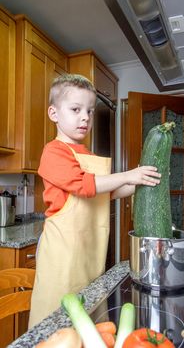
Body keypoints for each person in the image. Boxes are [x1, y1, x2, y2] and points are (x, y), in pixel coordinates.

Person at [29, 73, 161, 327]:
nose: (85, 117)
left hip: (90, 252)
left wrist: (138, 184)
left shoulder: (87, 154)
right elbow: (83, 186)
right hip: (62, 255)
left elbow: (106, 193)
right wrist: (127, 174)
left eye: (89, 111)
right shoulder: (53, 151)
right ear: (54, 113)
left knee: (88, 321)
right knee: (57, 323)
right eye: (76, 109)